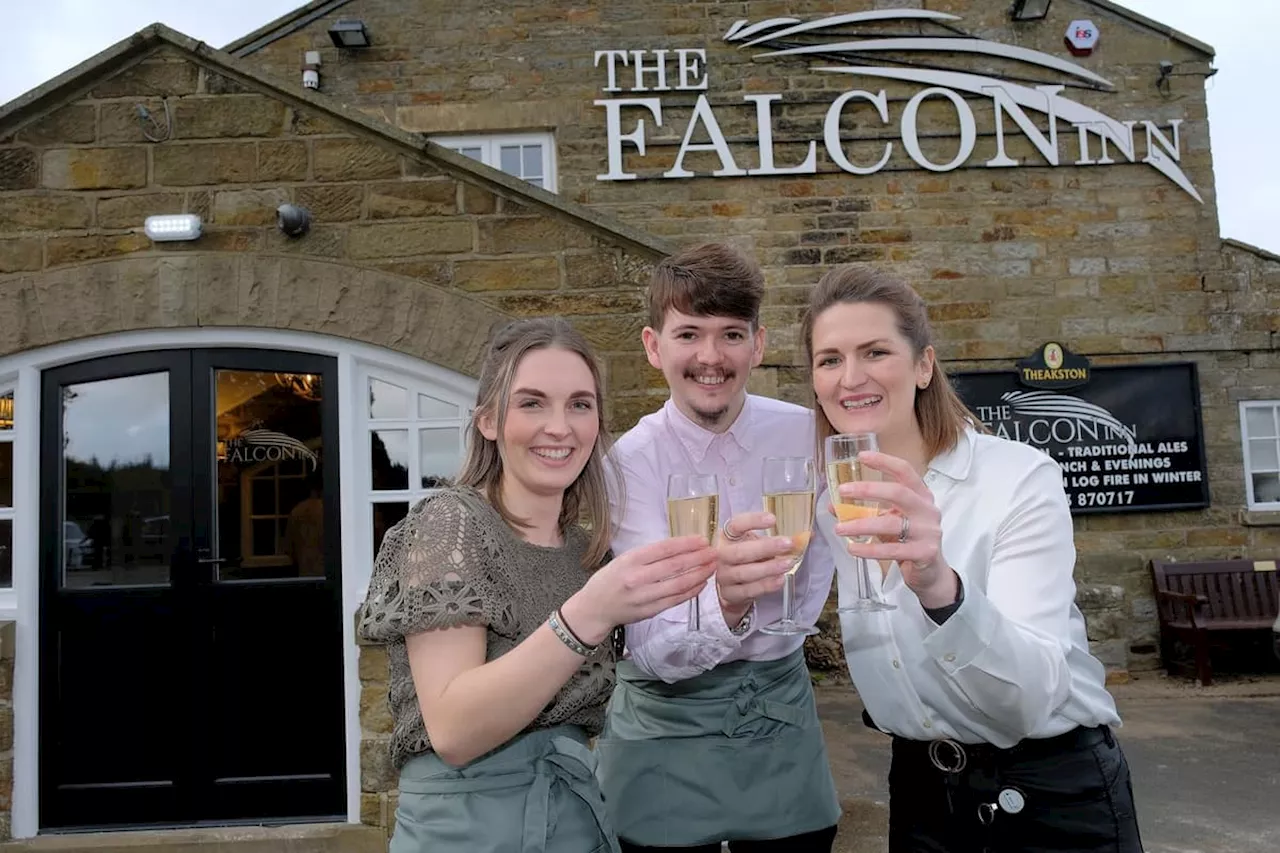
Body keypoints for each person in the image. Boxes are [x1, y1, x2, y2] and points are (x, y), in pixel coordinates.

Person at [794, 264, 1142, 851]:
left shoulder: (1018, 478)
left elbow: (1031, 697)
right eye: (829, 359)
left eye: (875, 352)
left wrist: (939, 588)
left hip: (1049, 795)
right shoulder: (834, 501)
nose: (850, 378)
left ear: (924, 365)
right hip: (921, 790)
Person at [358, 318, 717, 853]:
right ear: (487, 421)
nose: (560, 427)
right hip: (467, 834)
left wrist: (727, 592)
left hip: (577, 822)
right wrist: (587, 616)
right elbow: (454, 732)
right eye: (531, 403)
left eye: (579, 404)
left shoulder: (585, 551)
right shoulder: (450, 526)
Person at [596, 243, 842, 852]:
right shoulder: (627, 465)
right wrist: (726, 603)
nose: (711, 357)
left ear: (758, 345)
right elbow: (650, 648)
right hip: (664, 730)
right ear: (655, 347)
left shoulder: (810, 432)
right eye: (689, 334)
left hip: (780, 716)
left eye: (731, 334)